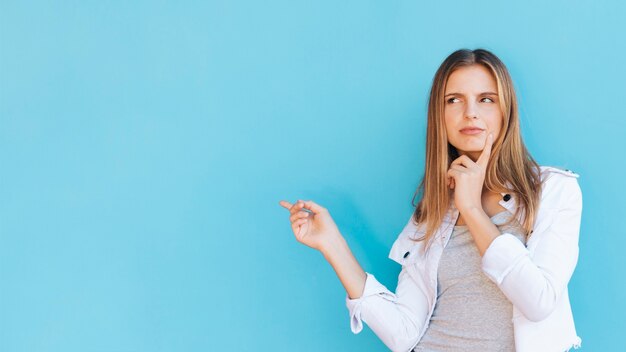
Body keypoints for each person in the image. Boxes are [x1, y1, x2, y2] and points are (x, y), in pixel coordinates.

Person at [278, 48, 583, 352]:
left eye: (486, 99)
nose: (470, 113)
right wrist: (332, 244)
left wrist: (472, 209)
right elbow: (404, 334)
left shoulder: (552, 191)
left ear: (506, 110)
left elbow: (539, 301)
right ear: (440, 115)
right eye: (454, 100)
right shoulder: (433, 212)